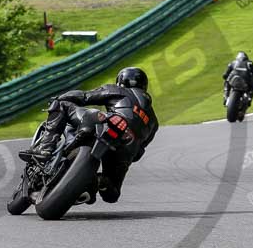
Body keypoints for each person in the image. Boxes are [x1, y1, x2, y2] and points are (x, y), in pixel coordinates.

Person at [19, 67, 159, 203]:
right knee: (111, 193)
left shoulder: (119, 90)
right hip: (126, 149)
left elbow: (85, 97)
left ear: (121, 81)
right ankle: (99, 182)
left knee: (62, 104)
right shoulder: (153, 121)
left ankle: (45, 147)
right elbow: (139, 153)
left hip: (105, 123)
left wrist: (59, 98)